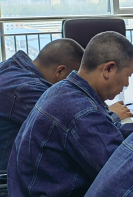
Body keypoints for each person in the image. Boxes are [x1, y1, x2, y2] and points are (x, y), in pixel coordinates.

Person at [1, 32, 133, 197]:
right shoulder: (79, 110)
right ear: (108, 69)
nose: (126, 84)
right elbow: (123, 175)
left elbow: (109, 131)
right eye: (127, 76)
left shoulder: (64, 90)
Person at [0, 40, 84, 174]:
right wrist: (111, 114)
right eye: (73, 81)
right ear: (60, 71)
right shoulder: (26, 89)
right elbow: (72, 122)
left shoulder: (11, 68)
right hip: (8, 179)